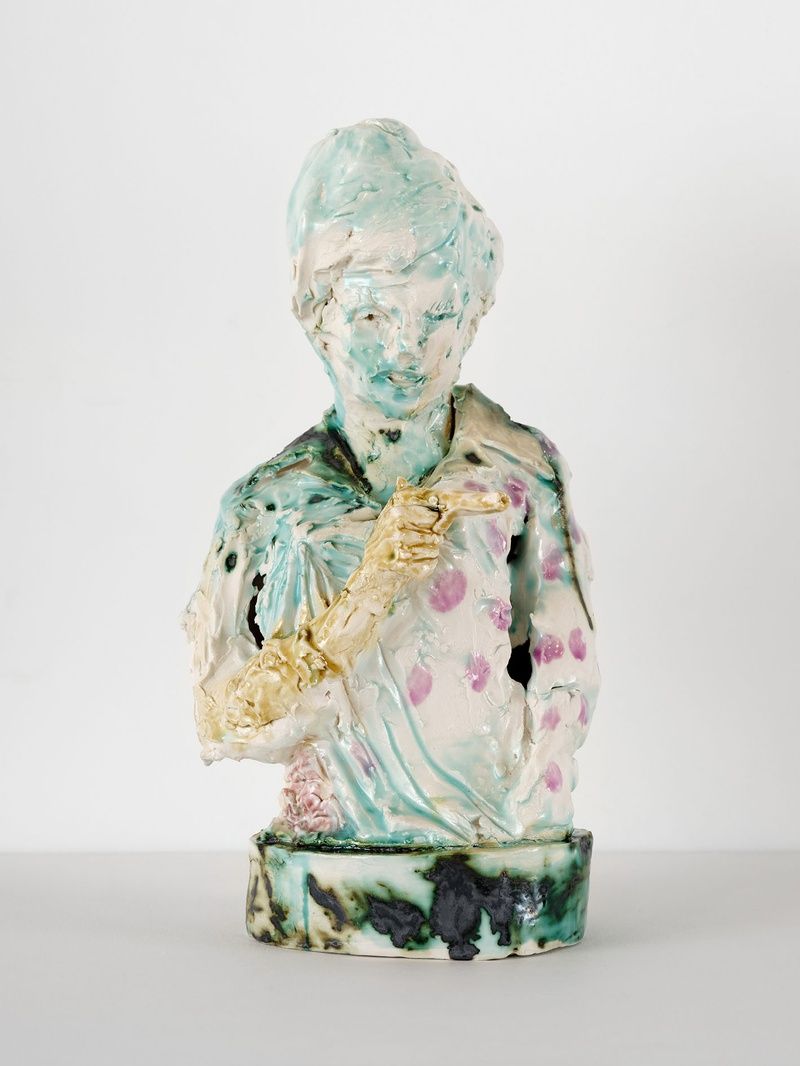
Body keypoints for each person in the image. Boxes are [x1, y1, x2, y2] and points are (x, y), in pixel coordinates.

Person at [184, 119, 599, 848]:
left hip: (497, 842)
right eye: (372, 314)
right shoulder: (271, 508)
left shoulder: (519, 474)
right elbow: (222, 719)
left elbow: (564, 669)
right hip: (334, 854)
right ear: (317, 317)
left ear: (472, 316)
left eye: (437, 315)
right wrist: (366, 595)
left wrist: (529, 824)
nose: (407, 349)